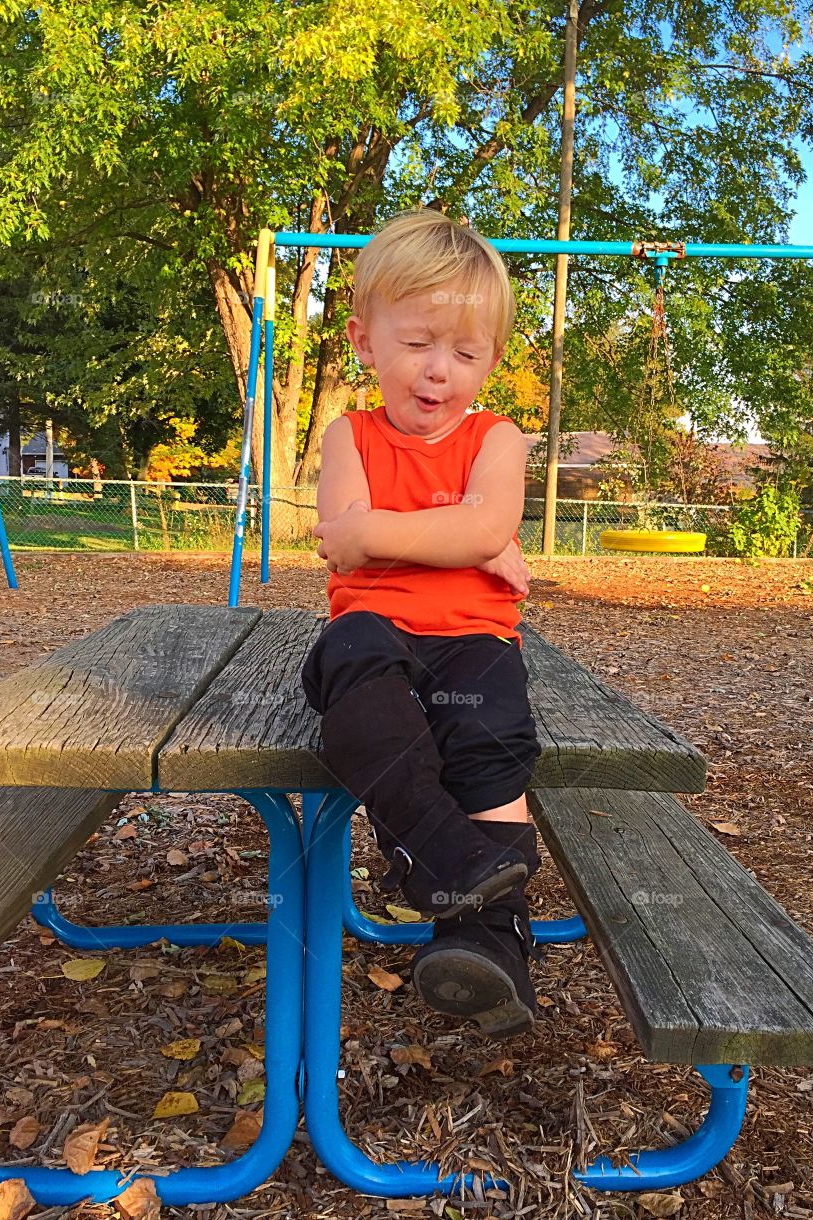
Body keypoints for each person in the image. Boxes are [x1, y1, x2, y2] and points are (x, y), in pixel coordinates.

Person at [301, 209, 542, 1040]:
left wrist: (392, 534)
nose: (440, 372)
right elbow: (344, 549)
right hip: (374, 631)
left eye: (466, 355)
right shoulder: (349, 434)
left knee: (488, 739)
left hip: (475, 638)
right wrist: (463, 539)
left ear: (490, 363)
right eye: (418, 345)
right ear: (367, 342)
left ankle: (489, 940)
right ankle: (454, 861)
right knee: (357, 693)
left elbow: (452, 528)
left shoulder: (496, 437)